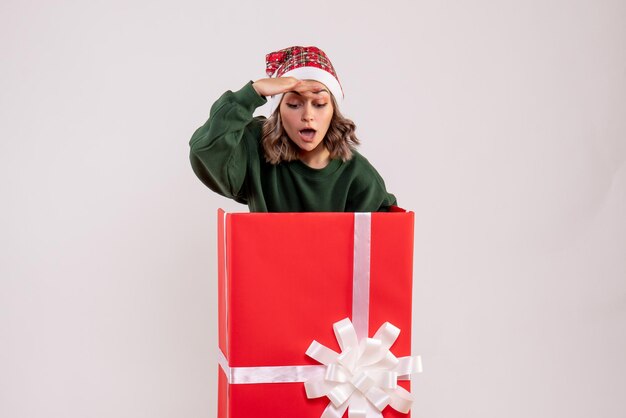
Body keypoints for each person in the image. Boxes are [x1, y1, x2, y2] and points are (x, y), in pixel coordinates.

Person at [189, 45, 397, 212]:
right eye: (294, 104)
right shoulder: (255, 152)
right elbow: (206, 149)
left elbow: (384, 242)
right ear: (278, 112)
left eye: (319, 104)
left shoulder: (358, 176)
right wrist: (254, 91)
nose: (307, 116)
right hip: (265, 265)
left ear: (334, 111)